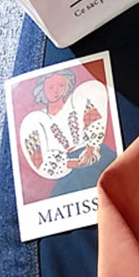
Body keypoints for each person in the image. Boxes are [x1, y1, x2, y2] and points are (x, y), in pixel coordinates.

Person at [19, 69, 112, 197]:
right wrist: (72, 163)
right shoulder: (35, 121)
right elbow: (39, 160)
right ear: (42, 89)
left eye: (61, 85)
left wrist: (91, 148)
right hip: (67, 171)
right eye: (51, 87)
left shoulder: (78, 100)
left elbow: (94, 119)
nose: (56, 91)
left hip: (95, 155)